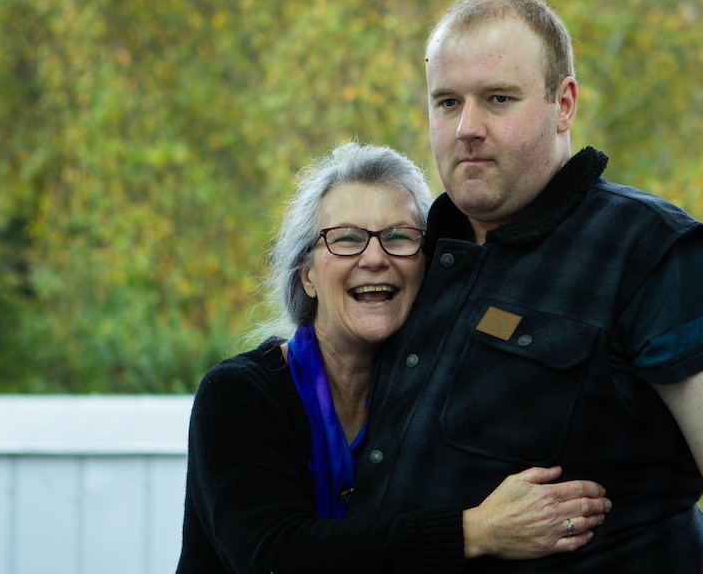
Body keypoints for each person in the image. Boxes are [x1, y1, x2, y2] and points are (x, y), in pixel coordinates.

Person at [349, 1, 703, 573]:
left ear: (564, 104)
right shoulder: (410, 257)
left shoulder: (652, 250)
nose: (467, 127)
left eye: (498, 99)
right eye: (447, 102)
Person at [175, 142, 612, 574]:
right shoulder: (237, 395)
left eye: (399, 237)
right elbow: (273, 555)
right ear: (307, 274)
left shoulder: (435, 401)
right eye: (346, 239)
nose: (374, 258)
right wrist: (477, 532)